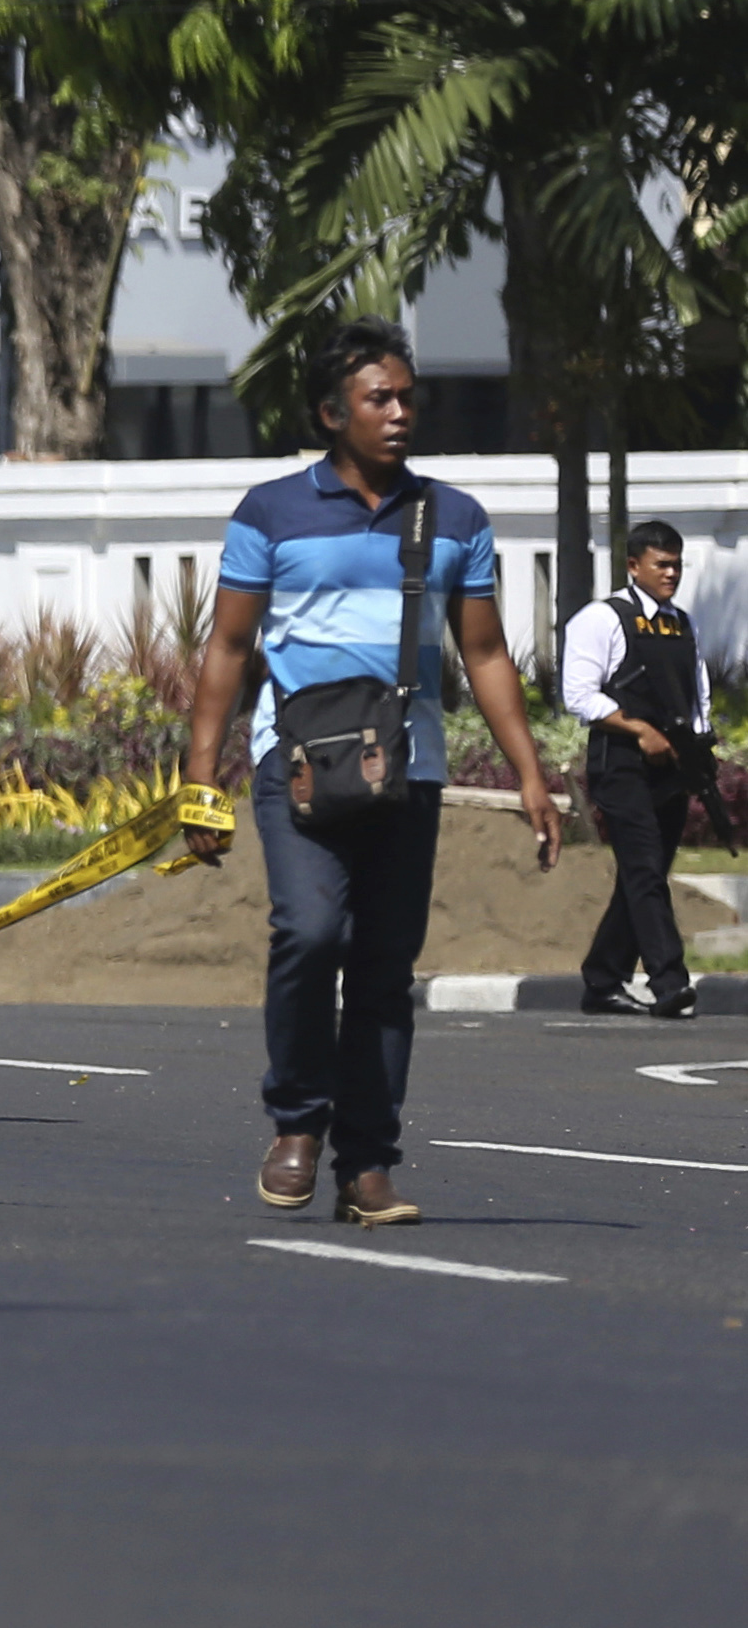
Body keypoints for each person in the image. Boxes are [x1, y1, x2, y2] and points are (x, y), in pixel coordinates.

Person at [183, 316, 562, 1227]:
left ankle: (367, 1163)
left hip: (408, 771)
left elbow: (485, 653)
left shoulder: (454, 518)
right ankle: (295, 1124)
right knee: (309, 934)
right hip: (294, 765)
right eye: (376, 398)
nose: (398, 413)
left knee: (386, 968)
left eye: (406, 397)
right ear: (330, 411)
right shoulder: (270, 511)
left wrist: (529, 773)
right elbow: (227, 650)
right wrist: (201, 779)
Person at [563, 519, 707, 1018]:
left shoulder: (681, 623)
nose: (672, 573)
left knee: (643, 873)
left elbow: (696, 692)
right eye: (661, 564)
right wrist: (641, 731)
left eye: (677, 564)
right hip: (621, 763)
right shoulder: (602, 619)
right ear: (633, 566)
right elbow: (579, 695)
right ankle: (670, 983)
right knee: (645, 869)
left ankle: (603, 979)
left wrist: (700, 746)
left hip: (671, 765)